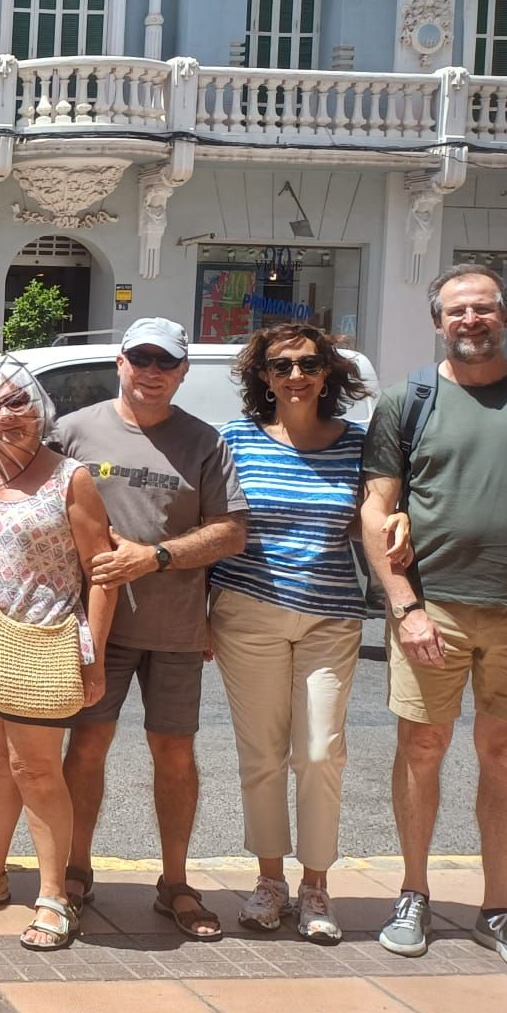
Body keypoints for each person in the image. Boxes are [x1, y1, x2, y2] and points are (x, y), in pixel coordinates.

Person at [360, 265, 507, 977]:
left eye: (485, 309)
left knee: (505, 756)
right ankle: (414, 894)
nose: (472, 320)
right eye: (458, 311)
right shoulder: (410, 400)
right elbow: (376, 511)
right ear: (439, 320)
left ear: (505, 316)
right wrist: (404, 607)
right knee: (423, 750)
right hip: (434, 609)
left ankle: (497, 908)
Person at [53, 318, 246, 940]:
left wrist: (157, 556)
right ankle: (75, 870)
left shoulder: (204, 442)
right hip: (92, 629)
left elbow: (231, 530)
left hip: (177, 629)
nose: (152, 372)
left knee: (175, 752)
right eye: (142, 358)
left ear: (183, 372)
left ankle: (175, 881)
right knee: (86, 748)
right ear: (120, 362)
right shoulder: (74, 431)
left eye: (166, 362)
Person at [0, 357, 116, 951]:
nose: (6, 416)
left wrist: (94, 656)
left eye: (18, 403)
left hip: (38, 640)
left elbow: (103, 573)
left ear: (40, 410)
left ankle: (55, 894)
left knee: (37, 769)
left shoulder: (71, 479)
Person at [208, 325, 372, 944]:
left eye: (308, 364)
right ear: (263, 377)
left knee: (321, 752)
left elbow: (371, 518)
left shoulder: (357, 443)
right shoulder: (235, 440)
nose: (295, 375)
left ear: (328, 373)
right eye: (281, 366)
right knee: (262, 756)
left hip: (330, 616)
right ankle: (270, 881)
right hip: (247, 612)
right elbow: (215, 523)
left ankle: (316, 886)